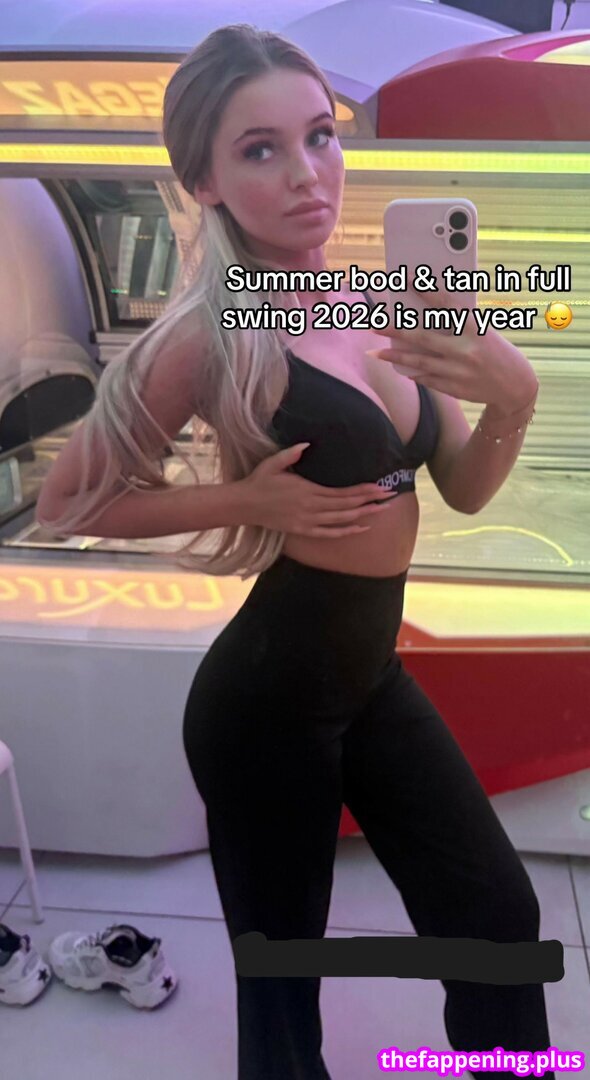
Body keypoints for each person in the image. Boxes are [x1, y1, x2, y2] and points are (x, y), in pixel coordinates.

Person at [36, 24, 552, 1080]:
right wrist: (244, 497)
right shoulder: (210, 331)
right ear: (205, 182)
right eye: (259, 149)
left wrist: (514, 399)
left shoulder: (376, 303)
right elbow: (67, 497)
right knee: (283, 986)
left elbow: (461, 484)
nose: (306, 173)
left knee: (496, 917)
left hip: (369, 678)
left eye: (319, 135)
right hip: (265, 705)